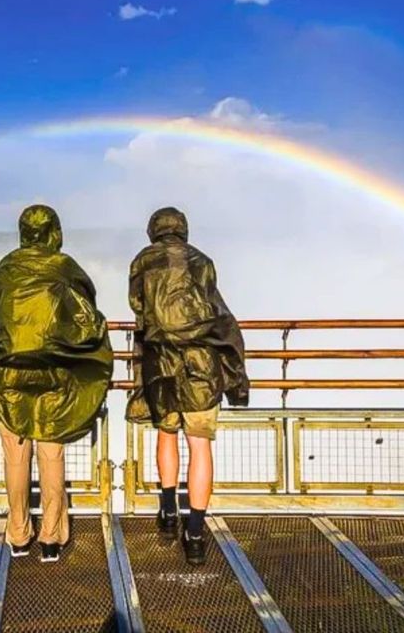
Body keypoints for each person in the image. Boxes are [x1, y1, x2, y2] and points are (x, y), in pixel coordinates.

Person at [0, 204, 113, 563]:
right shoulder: (63, 267)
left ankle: (18, 536)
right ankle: (52, 539)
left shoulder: (7, 267)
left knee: (15, 457)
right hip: (54, 372)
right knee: (51, 452)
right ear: (55, 231)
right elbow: (87, 314)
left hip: (10, 371)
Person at [126, 207, 249, 565]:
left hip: (160, 362)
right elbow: (214, 308)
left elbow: (137, 305)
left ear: (154, 231)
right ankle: (194, 534)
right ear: (183, 230)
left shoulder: (142, 261)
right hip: (201, 366)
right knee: (200, 447)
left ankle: (167, 513)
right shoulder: (203, 261)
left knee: (166, 436)